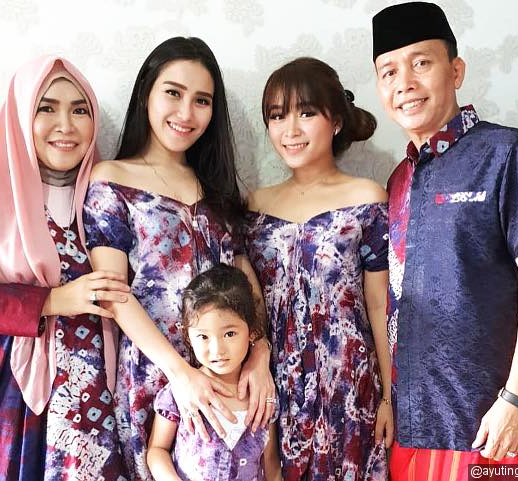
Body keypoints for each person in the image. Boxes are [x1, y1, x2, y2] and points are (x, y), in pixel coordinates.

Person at [370, 2, 518, 479]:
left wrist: (517, 400)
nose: (405, 82)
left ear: (456, 70)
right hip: (410, 424)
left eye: (421, 63)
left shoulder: (508, 153)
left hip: (487, 424)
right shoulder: (398, 179)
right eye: (389, 72)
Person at [0, 55, 130, 480]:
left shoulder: (106, 193)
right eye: (47, 108)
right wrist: (50, 301)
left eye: (80, 110)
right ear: (21, 115)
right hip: (26, 412)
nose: (66, 125)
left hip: (105, 405)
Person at [83, 37, 275, 480]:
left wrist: (260, 350)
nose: (186, 113)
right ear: (146, 93)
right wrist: (181, 374)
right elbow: (111, 292)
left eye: (202, 100)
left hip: (229, 375)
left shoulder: (217, 188)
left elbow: (245, 279)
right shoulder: (113, 181)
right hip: (156, 377)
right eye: (173, 93)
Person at [245, 57, 393, 481]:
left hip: (348, 384)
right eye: (278, 116)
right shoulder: (253, 206)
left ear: (337, 122)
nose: (290, 130)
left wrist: (388, 395)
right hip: (275, 386)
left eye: (306, 113)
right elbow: (247, 301)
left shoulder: (366, 198)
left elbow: (379, 303)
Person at [147, 264, 282, 481]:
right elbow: (157, 450)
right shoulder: (179, 393)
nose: (217, 350)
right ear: (188, 336)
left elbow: (271, 464)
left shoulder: (262, 393)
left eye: (229, 334)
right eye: (203, 336)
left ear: (252, 331)